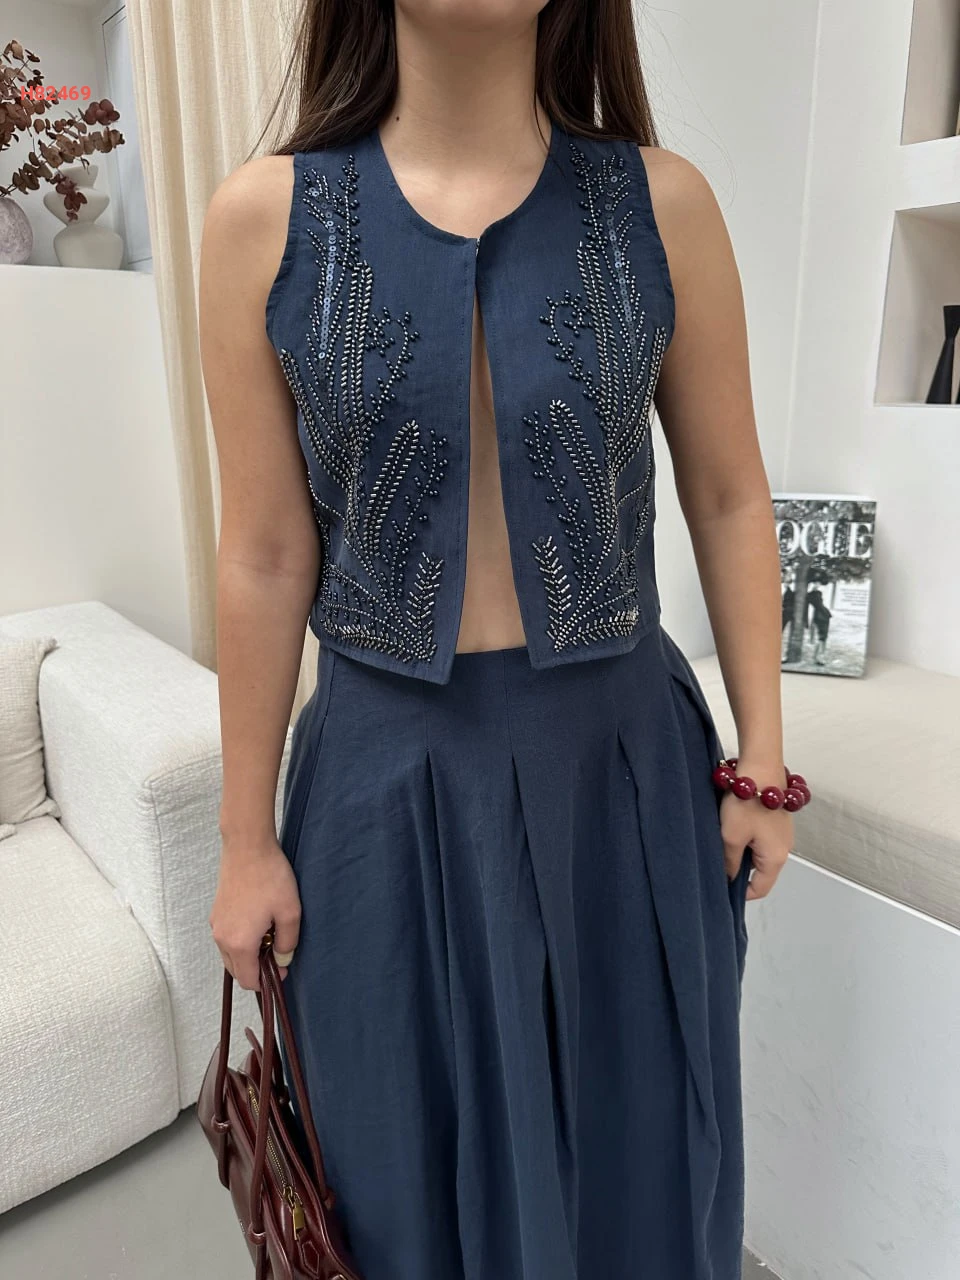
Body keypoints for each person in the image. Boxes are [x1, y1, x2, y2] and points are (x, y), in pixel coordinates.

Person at [198, 2, 795, 1276]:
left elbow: (730, 492)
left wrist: (764, 756)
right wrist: (245, 840)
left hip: (623, 788)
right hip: (375, 800)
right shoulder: (262, 219)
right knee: (394, 1183)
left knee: (640, 1170)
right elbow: (262, 554)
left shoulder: (664, 206)